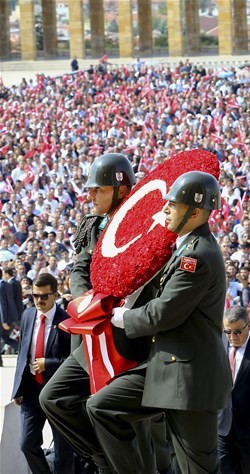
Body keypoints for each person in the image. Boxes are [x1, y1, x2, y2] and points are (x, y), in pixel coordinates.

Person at [85, 171, 230, 473]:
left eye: (173, 205)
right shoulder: (185, 248)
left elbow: (164, 312)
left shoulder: (198, 256)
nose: (165, 209)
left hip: (190, 380)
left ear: (196, 212)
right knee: (101, 405)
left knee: (197, 468)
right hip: (167, 371)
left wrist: (121, 316)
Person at [39, 153, 160, 473]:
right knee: (53, 398)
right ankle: (100, 455)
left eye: (98, 189)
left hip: (129, 341)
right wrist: (90, 302)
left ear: (121, 190)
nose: (90, 195)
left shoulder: (146, 225)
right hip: (92, 336)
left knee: (131, 425)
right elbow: (79, 270)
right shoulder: (93, 226)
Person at [11, 273, 74, 474]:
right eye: (35, 296)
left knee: (63, 451)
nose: (39, 300)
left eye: (44, 296)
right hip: (31, 391)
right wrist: (17, 388)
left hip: (57, 393)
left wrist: (49, 363)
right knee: (26, 444)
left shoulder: (67, 321)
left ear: (55, 295)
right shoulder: (28, 315)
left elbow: (75, 361)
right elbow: (22, 354)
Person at [218, 305, 250, 473]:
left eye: (237, 332)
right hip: (222, 429)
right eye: (228, 332)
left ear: (249, 325)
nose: (232, 336)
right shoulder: (218, 344)